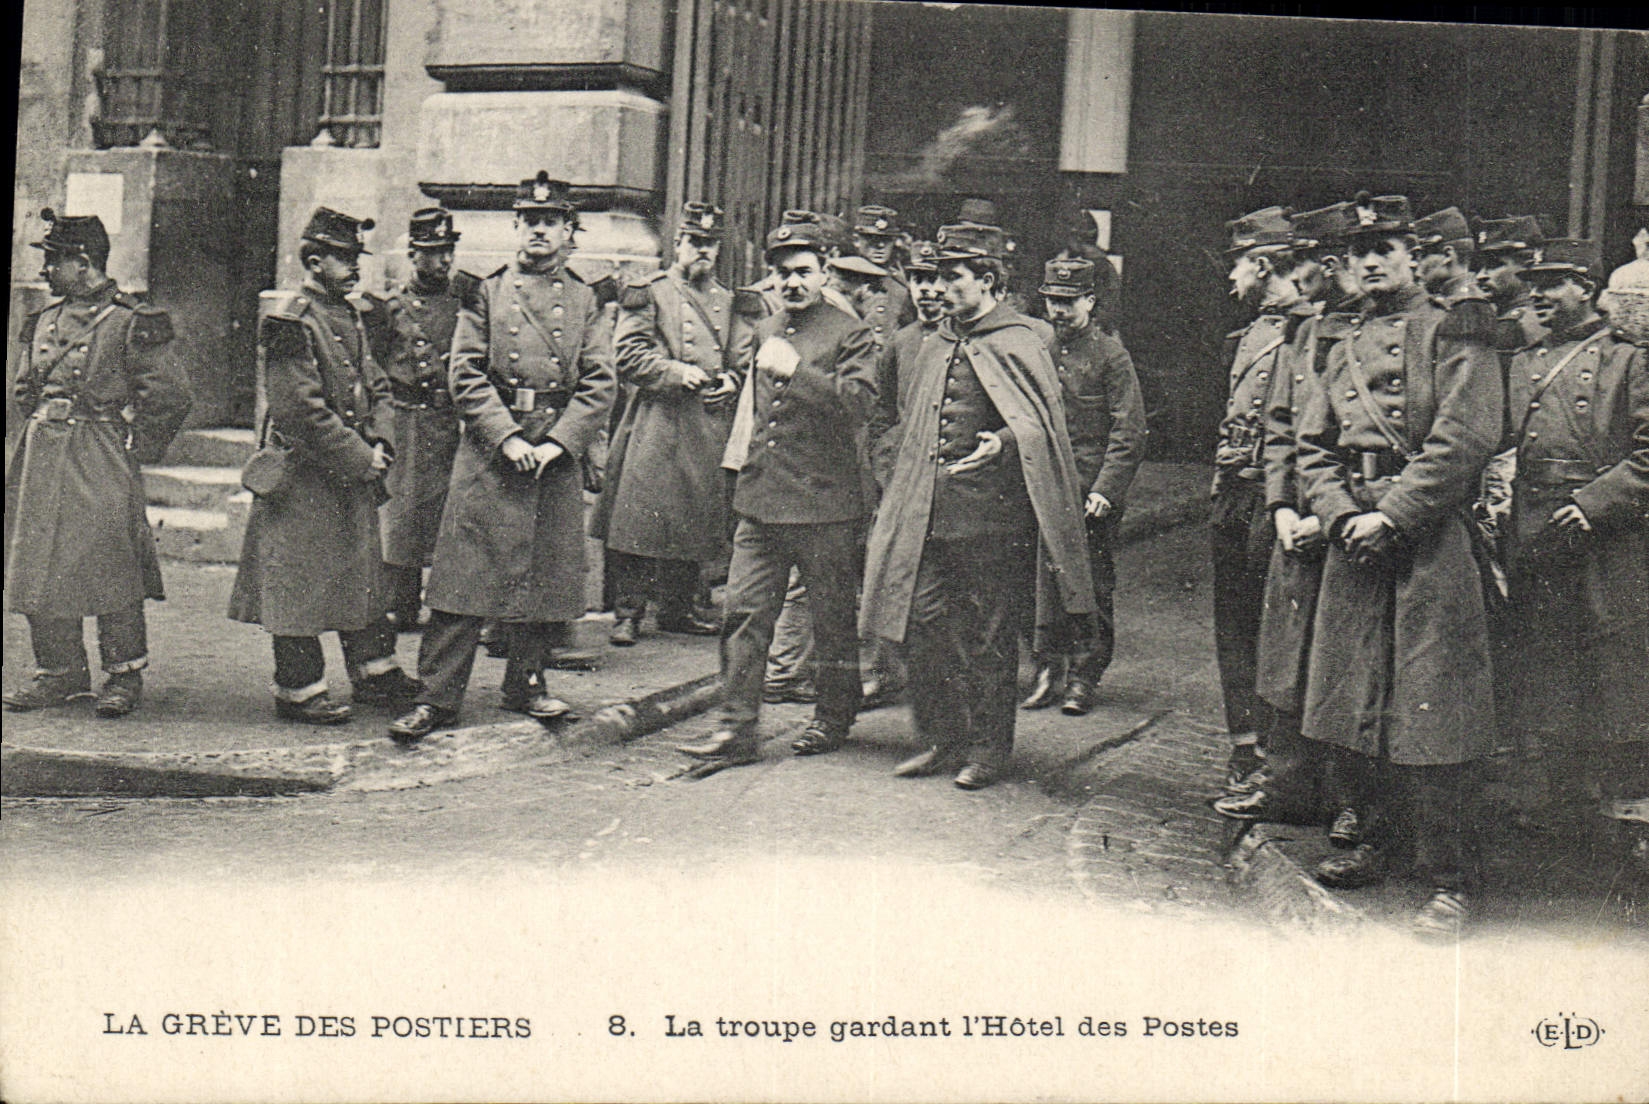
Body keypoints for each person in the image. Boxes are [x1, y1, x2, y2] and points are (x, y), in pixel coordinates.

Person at [1293, 195, 1504, 936]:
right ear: (1343, 265)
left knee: (1432, 708)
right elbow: (1311, 446)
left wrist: (1393, 514)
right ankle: (1375, 842)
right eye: (1358, 252)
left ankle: (1451, 878)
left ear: (1414, 254)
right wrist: (1342, 513)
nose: (1372, 260)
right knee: (1353, 699)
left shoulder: (1454, 328)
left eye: (1386, 246)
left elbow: (1465, 436)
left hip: (1426, 542)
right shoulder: (1337, 337)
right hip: (1353, 539)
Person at [861, 221, 1094, 790]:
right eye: (936, 275)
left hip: (992, 519)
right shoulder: (935, 341)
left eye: (951, 276)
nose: (938, 288)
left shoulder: (1023, 338)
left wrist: (1007, 441)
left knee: (988, 636)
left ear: (987, 279)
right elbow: (904, 423)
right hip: (928, 515)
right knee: (920, 622)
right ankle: (942, 738)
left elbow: (1047, 422)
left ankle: (989, 749)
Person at [388, 173, 616, 741]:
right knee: (463, 574)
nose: (540, 230)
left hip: (553, 451)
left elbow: (599, 383)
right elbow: (464, 371)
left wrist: (558, 443)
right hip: (492, 450)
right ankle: (437, 697)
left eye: (551, 222)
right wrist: (507, 436)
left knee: (543, 574)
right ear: (516, 227)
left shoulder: (586, 300)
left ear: (569, 232)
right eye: (530, 221)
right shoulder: (484, 292)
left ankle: (528, 683)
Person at [675, 216, 878, 775]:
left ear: (825, 272)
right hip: (762, 503)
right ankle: (736, 728)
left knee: (831, 618)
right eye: (783, 273)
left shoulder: (850, 332)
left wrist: (800, 373)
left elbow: (861, 406)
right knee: (742, 613)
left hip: (823, 508)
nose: (792, 283)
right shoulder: (767, 328)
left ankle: (834, 715)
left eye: (803, 272)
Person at [228, 207, 416, 724]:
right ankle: (298, 687)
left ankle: (375, 671)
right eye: (345, 258)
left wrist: (380, 439)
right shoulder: (290, 320)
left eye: (357, 257)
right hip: (304, 476)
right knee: (298, 584)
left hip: (346, 472)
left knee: (360, 575)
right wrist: (361, 457)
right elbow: (300, 410)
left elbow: (375, 384)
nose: (356, 267)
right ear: (314, 260)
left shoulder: (348, 313)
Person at [4, 209, 190, 717]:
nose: (45, 272)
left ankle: (124, 673)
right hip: (42, 455)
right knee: (38, 562)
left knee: (110, 560)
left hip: (99, 453)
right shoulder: (42, 319)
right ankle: (60, 671)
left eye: (52, 262)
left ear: (82, 263)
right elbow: (25, 388)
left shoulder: (132, 321)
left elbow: (170, 397)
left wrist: (135, 448)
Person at [1502, 238, 1648, 862]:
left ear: (1586, 290)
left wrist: (1593, 503)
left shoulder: (1629, 363)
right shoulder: (1523, 361)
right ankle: (1552, 798)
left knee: (1613, 664)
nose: (1538, 290)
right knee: (1543, 657)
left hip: (1602, 535)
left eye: (1554, 280)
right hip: (1532, 526)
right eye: (1535, 280)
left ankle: (1623, 810)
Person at [1215, 200, 1360, 823]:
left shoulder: (1325, 332)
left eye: (1242, 265)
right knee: (1253, 636)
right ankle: (1261, 760)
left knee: (1302, 645)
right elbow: (1266, 422)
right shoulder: (1267, 332)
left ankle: (1306, 779)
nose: (1233, 279)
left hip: (1311, 504)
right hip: (1255, 496)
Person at [595, 201, 746, 647]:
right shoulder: (651, 292)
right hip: (658, 420)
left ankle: (678, 608)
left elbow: (743, 355)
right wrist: (675, 372)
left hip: (706, 422)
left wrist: (734, 379)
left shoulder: (729, 300)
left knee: (694, 516)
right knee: (639, 517)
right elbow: (628, 354)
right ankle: (628, 611)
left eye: (710, 245)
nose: (702, 252)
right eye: (694, 242)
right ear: (678, 243)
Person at [1020, 257, 1147, 716]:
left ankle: (1084, 675)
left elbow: (1129, 431)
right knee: (1039, 584)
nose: (1058, 311)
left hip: (1088, 493)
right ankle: (1047, 669)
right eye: (1052, 301)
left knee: (1090, 584)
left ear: (1090, 302)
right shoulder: (1040, 350)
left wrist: (1105, 490)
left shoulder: (1112, 355)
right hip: (1042, 486)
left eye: (1069, 302)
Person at [1209, 206, 1296, 794]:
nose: (1231, 278)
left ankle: (1278, 754)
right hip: (1236, 490)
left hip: (1277, 492)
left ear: (1262, 265)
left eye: (1238, 264)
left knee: (1276, 628)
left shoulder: (1310, 327)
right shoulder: (1250, 333)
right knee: (1234, 621)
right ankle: (1246, 744)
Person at [369, 206, 468, 632]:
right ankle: (399, 602)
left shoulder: (465, 301)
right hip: (408, 420)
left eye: (448, 251)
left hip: (451, 418)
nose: (444, 261)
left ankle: (450, 604)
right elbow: (373, 366)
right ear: (413, 254)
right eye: (434, 252)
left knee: (452, 513)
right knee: (403, 515)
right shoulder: (389, 308)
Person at [851, 204, 916, 346]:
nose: (880, 245)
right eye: (872, 238)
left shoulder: (900, 284)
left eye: (887, 240)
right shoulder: (844, 280)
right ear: (856, 240)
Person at [1412, 207, 1484, 307]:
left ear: (1447, 254)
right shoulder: (1464, 299)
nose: (1416, 264)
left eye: (1422, 256)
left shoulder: (1462, 304)